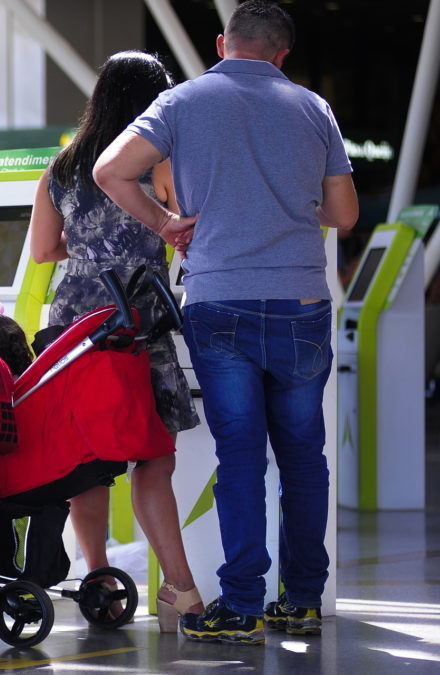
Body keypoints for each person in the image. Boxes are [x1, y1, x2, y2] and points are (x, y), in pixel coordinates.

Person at [93, 1, 358, 645]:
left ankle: (240, 604)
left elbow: (110, 171)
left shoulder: (183, 102)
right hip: (299, 301)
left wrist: (165, 224)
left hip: (219, 302)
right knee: (303, 455)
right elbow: (344, 215)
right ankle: (301, 600)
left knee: (240, 456)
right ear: (281, 54)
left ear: (221, 42)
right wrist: (286, 205)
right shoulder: (313, 108)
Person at [28, 50, 205, 634]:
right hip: (136, 317)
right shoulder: (156, 159)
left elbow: (42, 250)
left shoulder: (61, 167)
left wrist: (89, 253)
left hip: (74, 322)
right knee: (152, 457)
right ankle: (179, 590)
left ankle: (100, 578)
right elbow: (189, 222)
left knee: (88, 458)